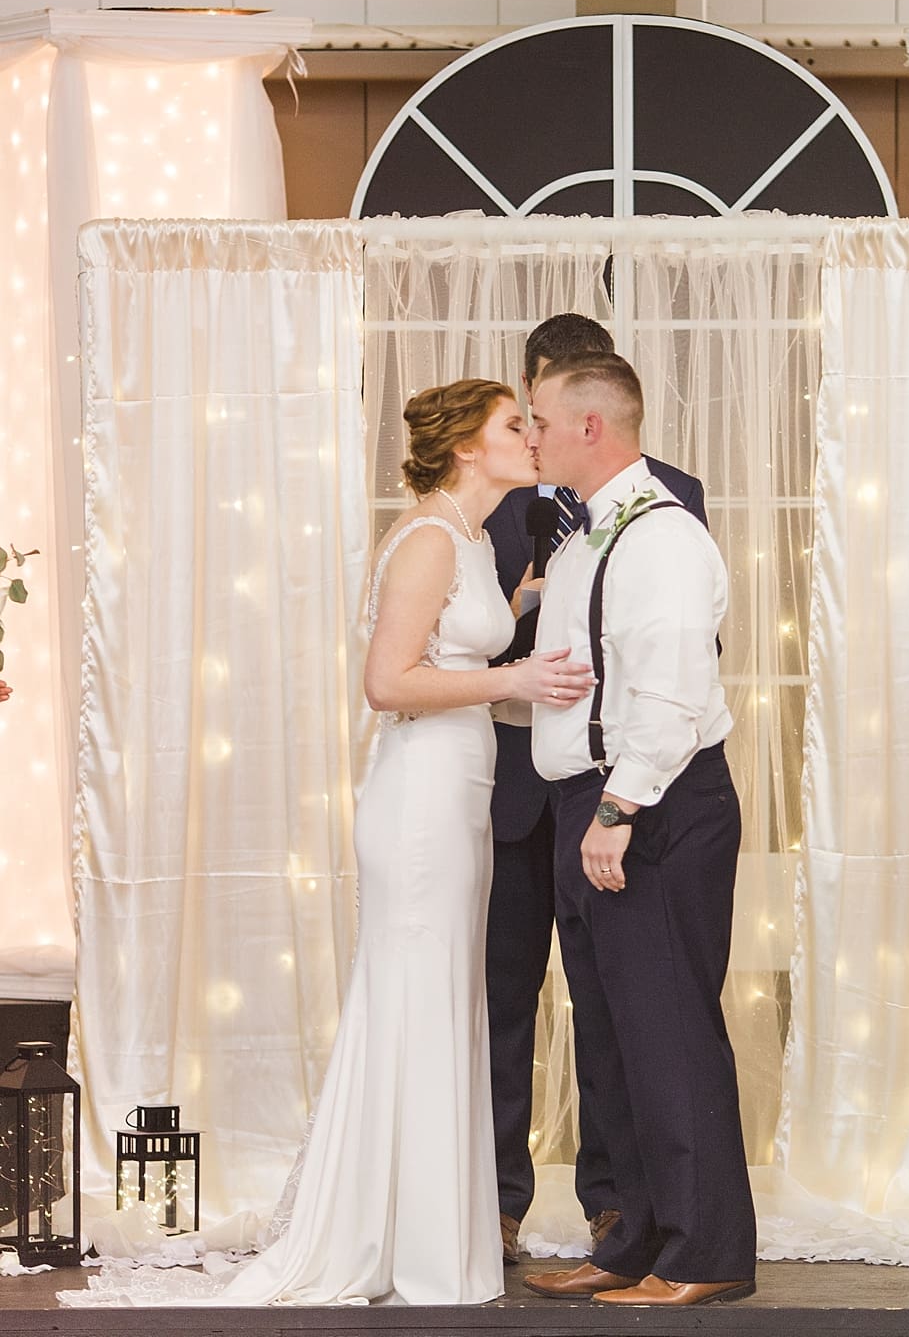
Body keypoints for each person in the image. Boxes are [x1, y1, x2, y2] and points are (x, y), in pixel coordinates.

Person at [217, 380, 593, 1306]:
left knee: (445, 1004)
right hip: (420, 803)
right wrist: (515, 673)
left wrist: (523, 652)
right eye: (515, 426)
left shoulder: (468, 539)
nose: (532, 439)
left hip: (460, 792)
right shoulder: (428, 539)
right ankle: (408, 1249)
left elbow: (461, 665)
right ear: (468, 446)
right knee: (420, 1000)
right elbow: (388, 683)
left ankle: (426, 1237)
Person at [520, 353, 756, 1309]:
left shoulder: (659, 535)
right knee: (614, 1038)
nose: (528, 435)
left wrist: (621, 806)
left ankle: (707, 1255)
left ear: (590, 428)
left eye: (537, 418)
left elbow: (671, 684)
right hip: (592, 799)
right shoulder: (582, 537)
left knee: (669, 1031)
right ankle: (640, 1238)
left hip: (653, 804)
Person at [482, 314, 707, 1264]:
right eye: (525, 409)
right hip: (516, 781)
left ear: (585, 409)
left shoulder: (665, 503)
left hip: (616, 784)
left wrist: (622, 787)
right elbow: (459, 641)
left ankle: (618, 1208)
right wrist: (524, 613)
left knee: (615, 1007)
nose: (529, 433)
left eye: (544, 411)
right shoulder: (488, 497)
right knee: (503, 994)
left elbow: (684, 648)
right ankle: (493, 1197)